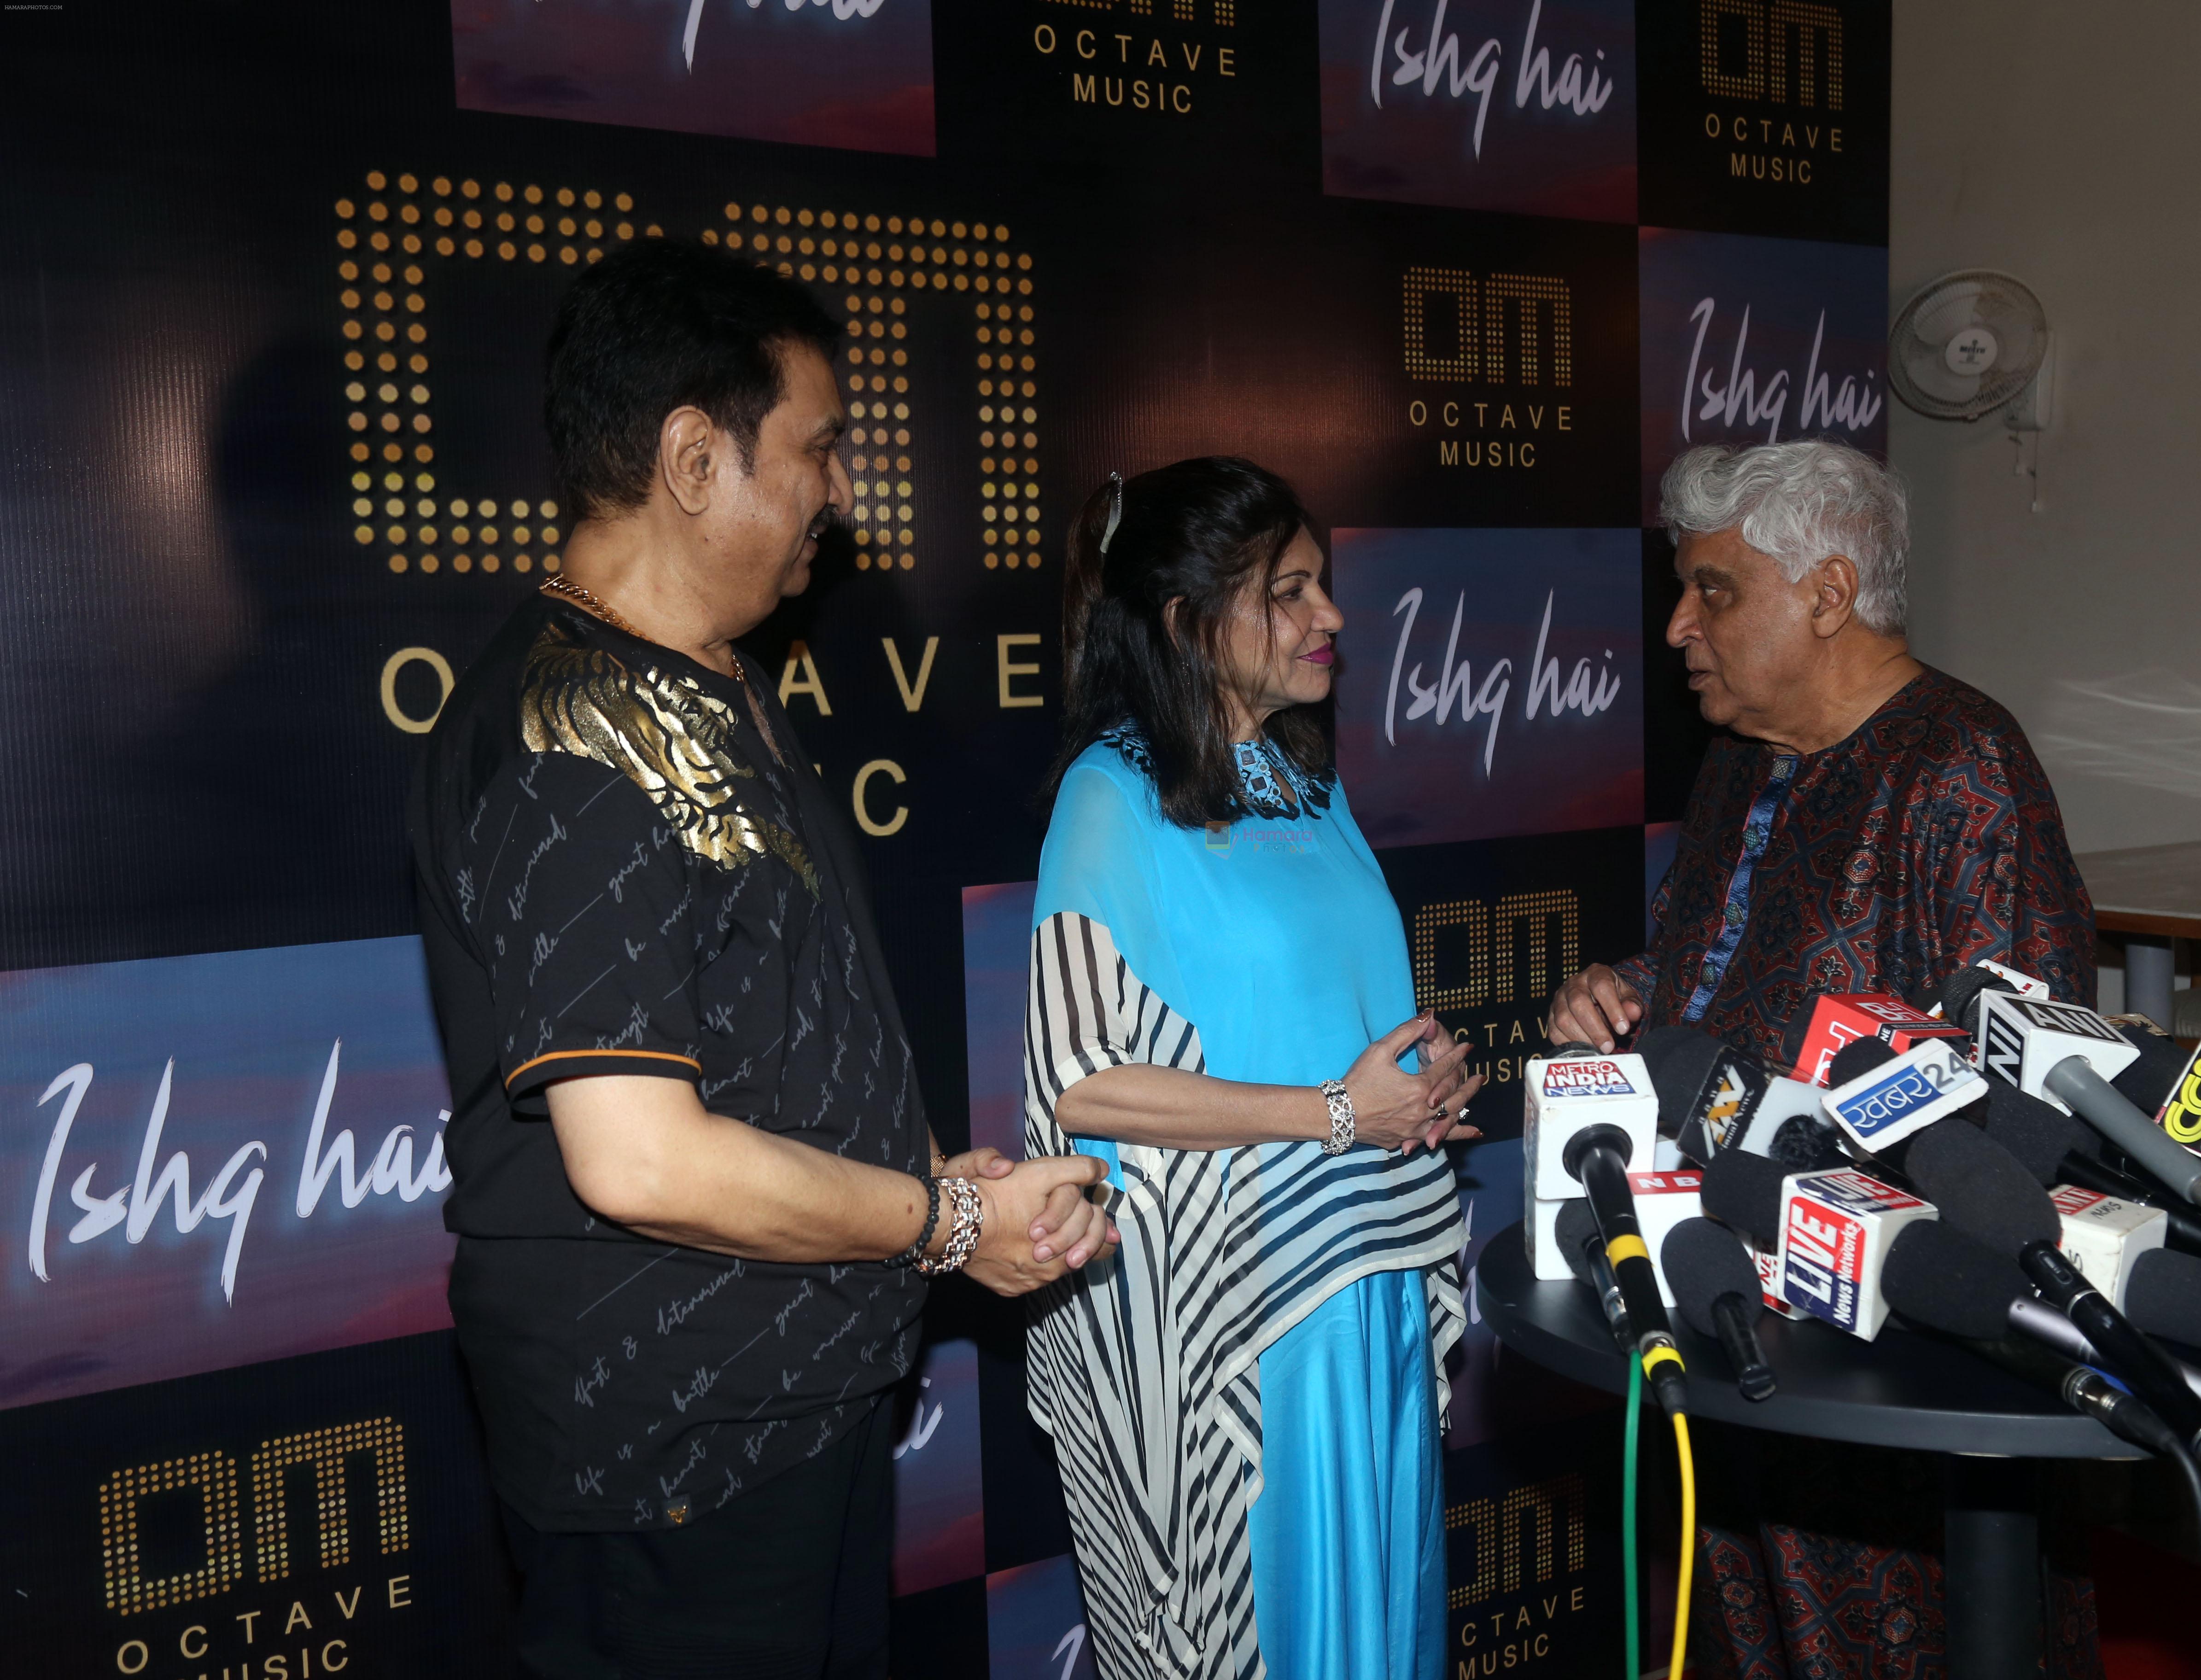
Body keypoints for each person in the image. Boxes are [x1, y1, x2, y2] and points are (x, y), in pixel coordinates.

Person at [409, 239, 1113, 1680]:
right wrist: (944, 1230)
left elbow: (775, 1010)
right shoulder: (572, 739)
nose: (843, 492)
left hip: (781, 1417)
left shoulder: (706, 672)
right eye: (821, 447)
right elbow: (641, 1163)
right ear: (690, 459)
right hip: (673, 1451)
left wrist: (932, 1186)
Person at [1549, 440, 2101, 1679]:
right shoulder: (1742, 756)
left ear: (1830, 593)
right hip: (1715, 1291)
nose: (1680, 625)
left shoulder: (1965, 767)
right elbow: (1736, 963)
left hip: (1877, 1348)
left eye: (1714, 590)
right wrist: (1624, 993)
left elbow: (2014, 1080)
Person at [1022, 458, 1478, 1680]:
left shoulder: (1307, 781)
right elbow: (1083, 1081)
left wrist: (1416, 1085)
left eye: (1321, 585)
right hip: (1250, 1323)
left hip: (1365, 1285)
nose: (1328, 617)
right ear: (1186, 622)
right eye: (1287, 593)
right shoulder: (1110, 796)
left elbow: (1324, 1014)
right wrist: (1339, 1110)